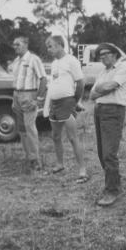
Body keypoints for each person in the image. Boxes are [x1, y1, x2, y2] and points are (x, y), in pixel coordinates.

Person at [90, 43, 126, 207]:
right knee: (102, 153)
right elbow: (93, 94)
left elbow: (110, 86)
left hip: (113, 112)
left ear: (115, 55)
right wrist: (102, 88)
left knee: (109, 153)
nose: (103, 57)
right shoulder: (102, 72)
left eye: (107, 53)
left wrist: (102, 87)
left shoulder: (122, 69)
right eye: (100, 55)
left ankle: (112, 191)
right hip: (99, 111)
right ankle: (115, 183)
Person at [43, 35, 88, 182]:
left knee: (72, 137)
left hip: (67, 103)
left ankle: (82, 170)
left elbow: (80, 83)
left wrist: (74, 101)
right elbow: (55, 83)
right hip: (54, 104)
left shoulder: (71, 60)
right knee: (55, 136)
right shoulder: (55, 63)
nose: (48, 49)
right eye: (47, 47)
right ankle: (60, 164)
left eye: (50, 46)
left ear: (60, 45)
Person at [11, 35, 48, 171]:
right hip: (17, 94)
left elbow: (43, 79)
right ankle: (29, 158)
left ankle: (36, 160)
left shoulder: (33, 59)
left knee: (29, 126)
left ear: (26, 44)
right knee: (21, 128)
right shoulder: (16, 61)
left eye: (18, 44)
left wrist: (38, 99)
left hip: (29, 94)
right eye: (14, 45)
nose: (15, 47)